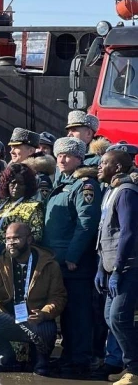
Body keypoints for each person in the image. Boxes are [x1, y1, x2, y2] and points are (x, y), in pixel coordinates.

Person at [0, 222, 66, 377]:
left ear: (29, 239)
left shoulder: (50, 264)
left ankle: (41, 359)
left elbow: (58, 297)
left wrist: (44, 313)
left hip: (36, 319)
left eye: (16, 238)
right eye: (8, 239)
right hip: (8, 318)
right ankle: (6, 356)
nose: (11, 243)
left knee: (47, 330)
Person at [42, 136, 102, 379]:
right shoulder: (62, 182)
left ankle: (79, 359)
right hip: (57, 261)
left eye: (67, 155)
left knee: (78, 314)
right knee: (66, 313)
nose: (62, 159)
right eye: (59, 155)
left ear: (79, 158)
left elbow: (86, 224)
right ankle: (68, 356)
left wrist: (73, 255)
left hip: (73, 263)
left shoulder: (84, 184)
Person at [95, 149, 138, 385]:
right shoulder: (110, 191)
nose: (99, 167)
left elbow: (128, 233)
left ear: (118, 168)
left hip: (128, 267)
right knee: (110, 318)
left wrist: (118, 270)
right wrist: (102, 268)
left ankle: (135, 370)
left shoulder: (127, 192)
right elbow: (105, 233)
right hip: (111, 266)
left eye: (104, 163)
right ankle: (130, 365)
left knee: (119, 318)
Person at [0, 164, 45, 258]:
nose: (16, 187)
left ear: (27, 186)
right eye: (13, 182)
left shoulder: (34, 206)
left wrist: (11, 247)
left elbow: (36, 235)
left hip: (13, 257)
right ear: (6, 183)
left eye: (21, 183)